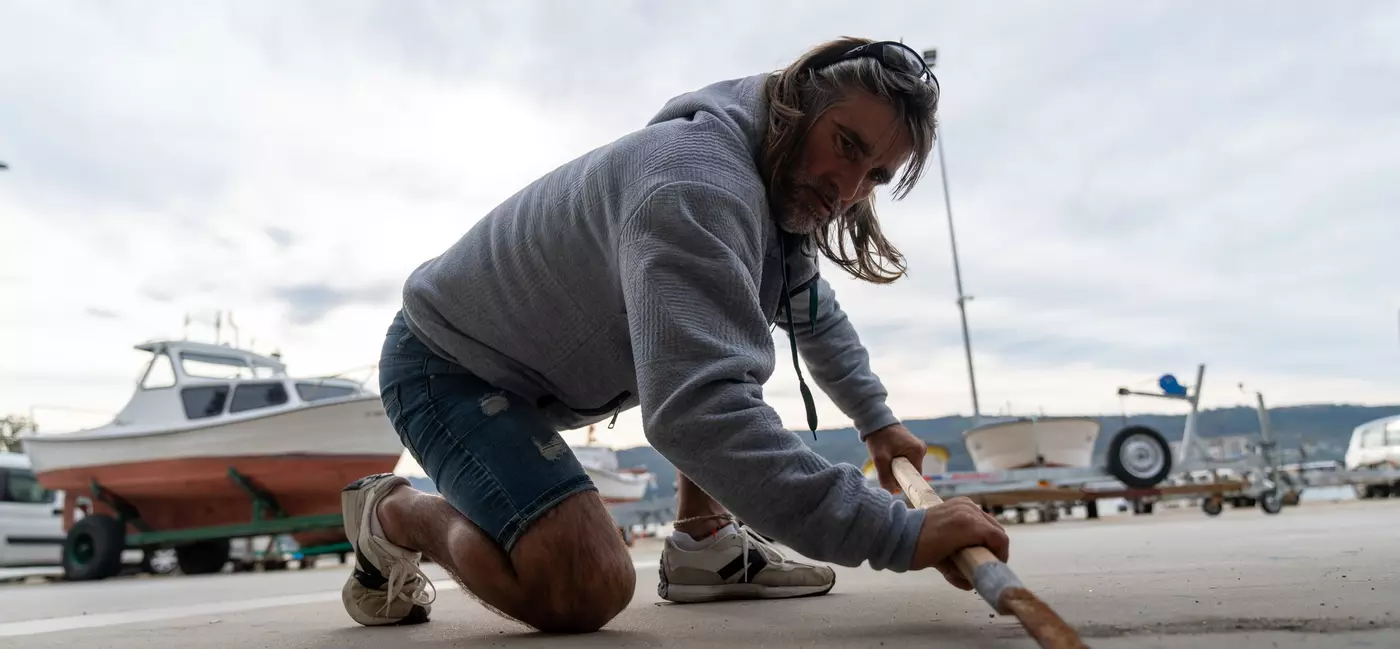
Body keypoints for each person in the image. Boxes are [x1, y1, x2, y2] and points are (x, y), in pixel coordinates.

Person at [341, 36, 1011, 633]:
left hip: (539, 370)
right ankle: (396, 513)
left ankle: (704, 541)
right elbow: (698, 414)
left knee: (720, 329)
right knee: (582, 584)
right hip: (446, 364)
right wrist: (899, 531)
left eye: (875, 177)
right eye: (846, 145)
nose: (848, 190)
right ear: (796, 104)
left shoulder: (776, 191)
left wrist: (877, 422)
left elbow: (811, 310)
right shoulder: (694, 183)